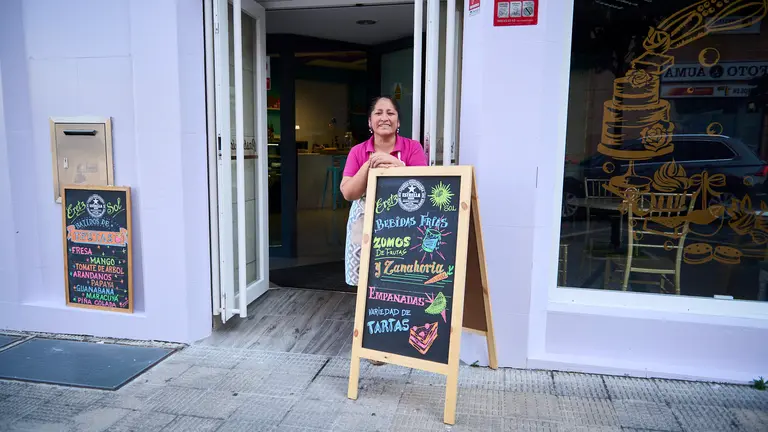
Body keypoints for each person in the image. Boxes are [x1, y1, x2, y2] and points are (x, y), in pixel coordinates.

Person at [341, 96, 427, 365]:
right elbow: (348, 192)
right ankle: (373, 342)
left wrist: (397, 165)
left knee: (398, 280)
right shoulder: (358, 151)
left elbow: (424, 185)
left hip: (402, 225)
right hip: (365, 222)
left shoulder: (412, 148)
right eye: (378, 113)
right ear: (370, 122)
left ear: (399, 121)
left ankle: (400, 338)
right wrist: (371, 164)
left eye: (390, 112)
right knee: (367, 282)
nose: (384, 117)